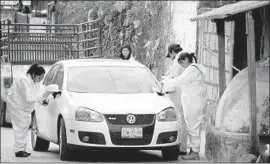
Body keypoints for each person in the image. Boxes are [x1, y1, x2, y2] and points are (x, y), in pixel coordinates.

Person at [162, 52, 207, 160]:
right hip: (193, 102)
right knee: (192, 126)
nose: (182, 66)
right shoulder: (193, 69)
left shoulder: (192, 69)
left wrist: (166, 82)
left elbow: (179, 80)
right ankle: (193, 150)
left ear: (186, 59)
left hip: (194, 102)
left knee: (193, 127)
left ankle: (195, 151)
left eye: (182, 63)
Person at [6, 63, 53, 157]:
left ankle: (21, 149)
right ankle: (19, 150)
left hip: (24, 108)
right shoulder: (23, 80)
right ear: (34, 74)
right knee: (20, 128)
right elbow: (28, 97)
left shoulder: (33, 81)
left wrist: (43, 99)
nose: (40, 80)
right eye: (39, 78)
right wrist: (44, 96)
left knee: (24, 127)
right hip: (17, 107)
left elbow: (38, 92)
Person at [162, 43, 188, 155]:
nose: (170, 57)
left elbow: (173, 79)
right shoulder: (184, 56)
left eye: (170, 54)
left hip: (179, 94)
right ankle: (184, 146)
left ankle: (182, 147)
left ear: (172, 52)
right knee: (185, 120)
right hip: (185, 92)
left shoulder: (177, 61)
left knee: (180, 120)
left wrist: (165, 81)